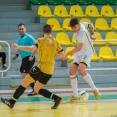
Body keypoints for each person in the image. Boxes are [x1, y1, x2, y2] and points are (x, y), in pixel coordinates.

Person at [1, 24, 64, 109]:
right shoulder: (56, 41)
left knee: (24, 83)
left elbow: (31, 49)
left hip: (41, 68)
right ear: (51, 32)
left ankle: (11, 102)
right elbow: (62, 55)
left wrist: (18, 46)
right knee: (36, 89)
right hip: (50, 71)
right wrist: (53, 52)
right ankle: (57, 98)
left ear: (43, 32)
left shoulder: (40, 40)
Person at [63, 18, 101, 102]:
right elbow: (91, 24)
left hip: (87, 52)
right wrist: (92, 34)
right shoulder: (82, 24)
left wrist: (67, 54)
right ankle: (76, 95)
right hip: (80, 52)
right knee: (72, 71)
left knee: (80, 70)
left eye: (75, 28)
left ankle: (94, 89)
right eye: (72, 28)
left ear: (78, 25)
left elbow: (79, 47)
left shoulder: (82, 33)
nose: (73, 30)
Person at [13, 23, 37, 96]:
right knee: (23, 72)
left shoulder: (29, 37)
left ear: (25, 29)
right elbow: (19, 48)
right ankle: (35, 87)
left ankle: (35, 89)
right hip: (24, 59)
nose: (21, 30)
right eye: (20, 29)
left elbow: (36, 46)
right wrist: (16, 55)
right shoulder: (19, 38)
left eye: (22, 29)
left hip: (29, 58)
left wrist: (32, 56)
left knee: (24, 73)